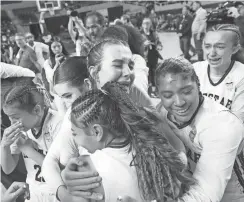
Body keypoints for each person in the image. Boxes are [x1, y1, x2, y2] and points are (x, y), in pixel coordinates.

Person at [42, 40, 175, 201]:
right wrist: (64, 190)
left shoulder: (135, 96)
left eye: (130, 65)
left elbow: (175, 149)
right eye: (118, 65)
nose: (127, 72)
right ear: (94, 73)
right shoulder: (80, 114)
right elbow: (51, 162)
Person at [69, 82, 195, 201]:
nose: (73, 138)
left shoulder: (87, 169)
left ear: (97, 132)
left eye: (74, 133)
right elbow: (180, 157)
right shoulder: (151, 150)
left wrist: (61, 189)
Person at [156, 57, 244, 202]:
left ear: (198, 85)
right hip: (194, 190)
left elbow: (204, 196)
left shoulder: (221, 125)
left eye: (186, 91)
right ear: (159, 95)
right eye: (168, 95)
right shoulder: (162, 111)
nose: (179, 102)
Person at [1, 84, 62, 202]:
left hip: (57, 194)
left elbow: (60, 170)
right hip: (34, 194)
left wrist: (28, 150)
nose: (12, 123)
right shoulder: (21, 129)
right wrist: (4, 146)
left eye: (15, 117)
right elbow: (8, 168)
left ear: (37, 110)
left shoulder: (58, 124)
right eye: (9, 117)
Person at [193, 24, 244, 123]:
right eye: (207, 46)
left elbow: (237, 121)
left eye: (220, 47)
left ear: (235, 49)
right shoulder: (195, 69)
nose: (212, 53)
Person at [141, 17, 163, 97]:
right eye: (144, 23)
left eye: (148, 23)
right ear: (142, 25)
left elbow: (159, 43)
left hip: (154, 55)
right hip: (145, 56)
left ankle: (155, 91)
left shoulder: (154, 33)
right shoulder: (140, 34)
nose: (146, 25)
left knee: (154, 73)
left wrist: (159, 46)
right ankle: (148, 92)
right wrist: (143, 45)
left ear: (150, 25)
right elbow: (136, 46)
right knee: (147, 74)